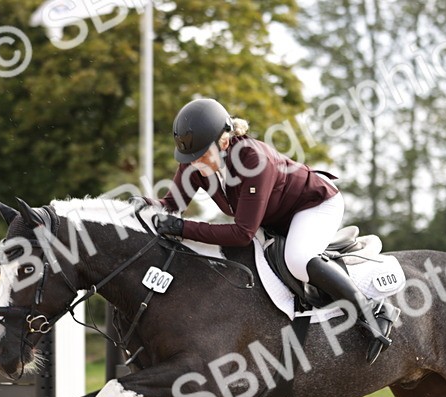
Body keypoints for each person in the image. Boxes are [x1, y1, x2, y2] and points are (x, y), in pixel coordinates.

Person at [141, 97, 395, 362]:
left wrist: (182, 228)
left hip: (314, 205)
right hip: (273, 217)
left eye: (202, 156)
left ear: (224, 142)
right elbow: (171, 206)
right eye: (190, 158)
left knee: (297, 260)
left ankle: (372, 311)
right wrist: (144, 207)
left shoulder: (253, 160)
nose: (195, 164)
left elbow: (242, 234)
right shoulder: (195, 159)